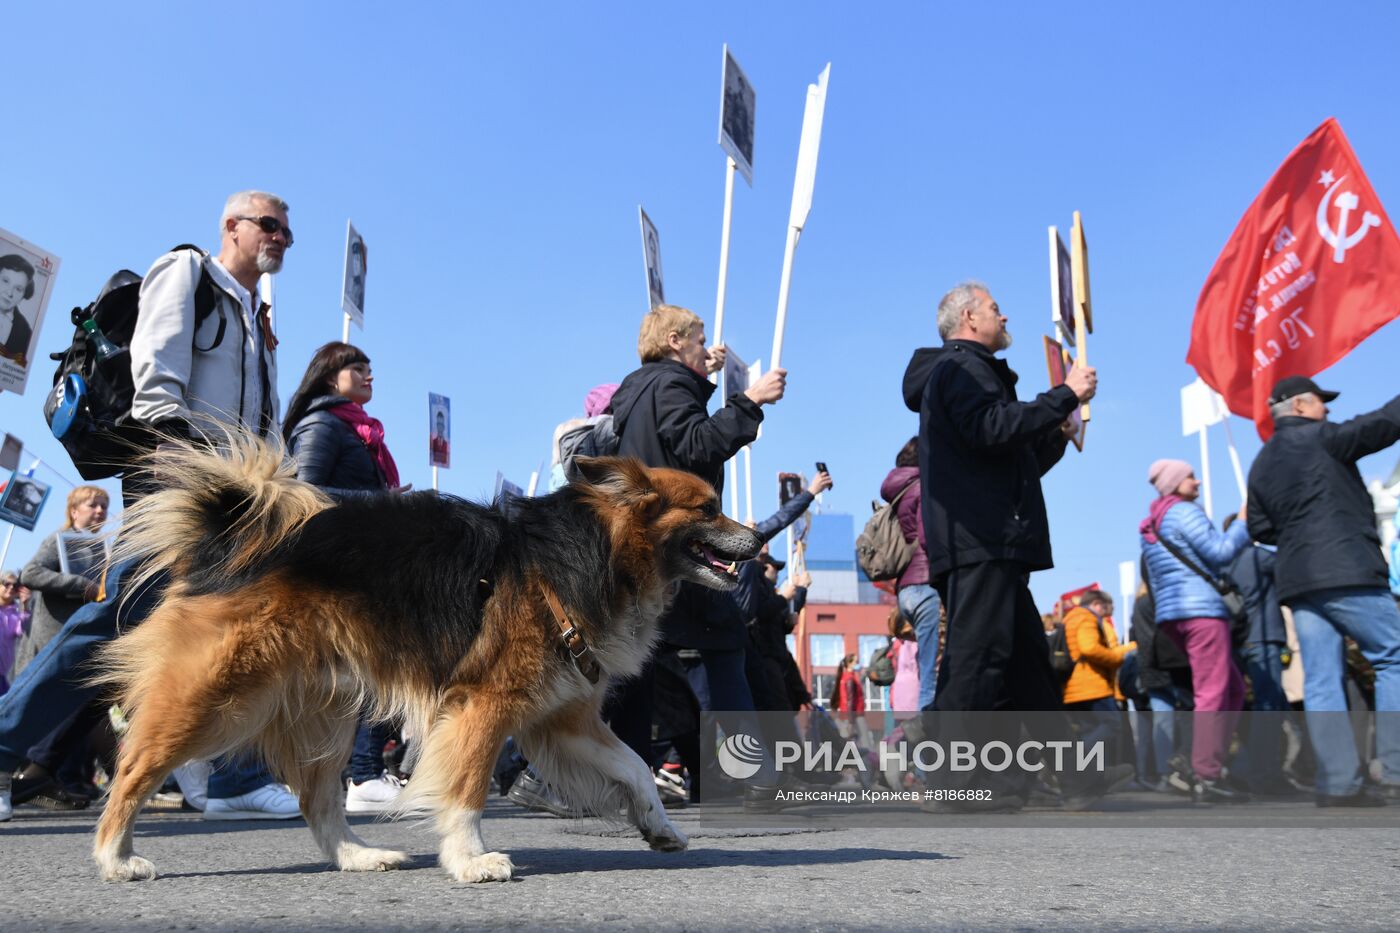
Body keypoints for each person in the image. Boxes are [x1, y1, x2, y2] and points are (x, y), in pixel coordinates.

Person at [0, 191, 298, 823]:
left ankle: (227, 779)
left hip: (236, 496)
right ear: (232, 226)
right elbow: (155, 384)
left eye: (287, 232)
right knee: (114, 620)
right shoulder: (187, 272)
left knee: (233, 627)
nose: (281, 239)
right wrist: (191, 464)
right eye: (270, 226)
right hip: (177, 478)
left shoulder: (257, 313)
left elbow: (261, 420)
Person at [901, 281, 1124, 811]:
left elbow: (1007, 459)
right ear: (970, 318)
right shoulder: (958, 368)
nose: (1007, 317)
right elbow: (989, 429)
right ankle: (958, 781)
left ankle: (1069, 777)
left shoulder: (965, 371)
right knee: (978, 662)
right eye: (997, 308)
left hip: (993, 537)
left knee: (1027, 668)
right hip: (980, 539)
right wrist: (1063, 395)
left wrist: (1054, 430)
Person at [607, 304, 785, 809]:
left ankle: (626, 778)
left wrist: (705, 376)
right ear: (674, 340)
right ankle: (746, 771)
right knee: (724, 645)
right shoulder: (671, 387)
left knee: (637, 664)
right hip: (681, 543)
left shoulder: (638, 390)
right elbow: (695, 445)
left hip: (646, 543)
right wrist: (749, 401)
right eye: (699, 339)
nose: (706, 349)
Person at [1246, 375, 1400, 806]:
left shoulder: (1261, 463)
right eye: (1320, 402)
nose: (1327, 409)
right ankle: (1394, 770)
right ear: (1298, 407)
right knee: (1393, 657)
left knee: (1321, 680)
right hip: (1348, 569)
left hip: (1299, 581)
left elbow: (1259, 528)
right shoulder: (1326, 440)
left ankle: (1337, 783)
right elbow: (1386, 422)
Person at [284, 341, 409, 813]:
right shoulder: (323, 424)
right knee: (380, 664)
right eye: (358, 369)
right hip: (338, 567)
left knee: (377, 667)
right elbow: (303, 492)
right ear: (329, 375)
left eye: (370, 369)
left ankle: (363, 773)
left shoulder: (361, 431)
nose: (369, 376)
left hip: (363, 563)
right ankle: (362, 775)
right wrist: (383, 503)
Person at [1139, 459, 1251, 804]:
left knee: (1230, 689)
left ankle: (1210, 764)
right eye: (1190, 476)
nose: (1198, 481)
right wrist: (1243, 523)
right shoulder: (1184, 512)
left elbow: (1154, 578)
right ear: (1175, 482)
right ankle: (1205, 772)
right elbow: (1220, 553)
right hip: (1201, 610)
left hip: (1174, 613)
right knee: (1214, 693)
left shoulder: (1152, 523)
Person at [1222, 513, 1294, 795]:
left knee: (1248, 709)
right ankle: (1264, 773)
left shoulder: (1224, 564)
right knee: (1269, 705)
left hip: (1238, 641)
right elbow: (1286, 566)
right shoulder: (1257, 557)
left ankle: (1248, 767)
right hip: (1264, 636)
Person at [881, 437, 938, 709]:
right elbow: (928, 538)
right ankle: (930, 750)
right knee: (933, 675)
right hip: (927, 583)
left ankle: (926, 748)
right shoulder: (923, 488)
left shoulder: (897, 494)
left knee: (926, 668)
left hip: (905, 589)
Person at [1061, 590, 1135, 752]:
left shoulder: (1069, 619)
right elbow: (1089, 648)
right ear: (1096, 604)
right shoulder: (1086, 618)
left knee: (1089, 729)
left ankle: (1090, 774)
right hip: (1091, 684)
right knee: (1113, 724)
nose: (1104, 615)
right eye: (1104, 609)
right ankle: (1073, 760)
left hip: (1073, 688)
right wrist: (1115, 659)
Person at [0, 253, 36, 364]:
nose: (9, 293)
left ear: (24, 294)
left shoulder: (25, 332)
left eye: (18, 289)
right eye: (5, 281)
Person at [0, 572, 28, 694]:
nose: (11, 587)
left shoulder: (15, 615)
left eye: (14, 586)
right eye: (7, 584)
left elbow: (21, 630)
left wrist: (25, 604)